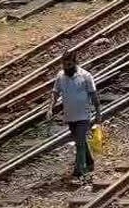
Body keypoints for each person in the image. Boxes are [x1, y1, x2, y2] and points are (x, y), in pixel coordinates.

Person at [47, 51, 101, 182]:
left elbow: (93, 95)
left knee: (79, 142)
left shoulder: (86, 76)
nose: (66, 67)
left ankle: (79, 171)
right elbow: (55, 93)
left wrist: (98, 112)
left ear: (75, 63)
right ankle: (89, 162)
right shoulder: (60, 76)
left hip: (84, 115)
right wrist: (50, 108)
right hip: (70, 116)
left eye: (69, 64)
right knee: (80, 141)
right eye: (64, 65)